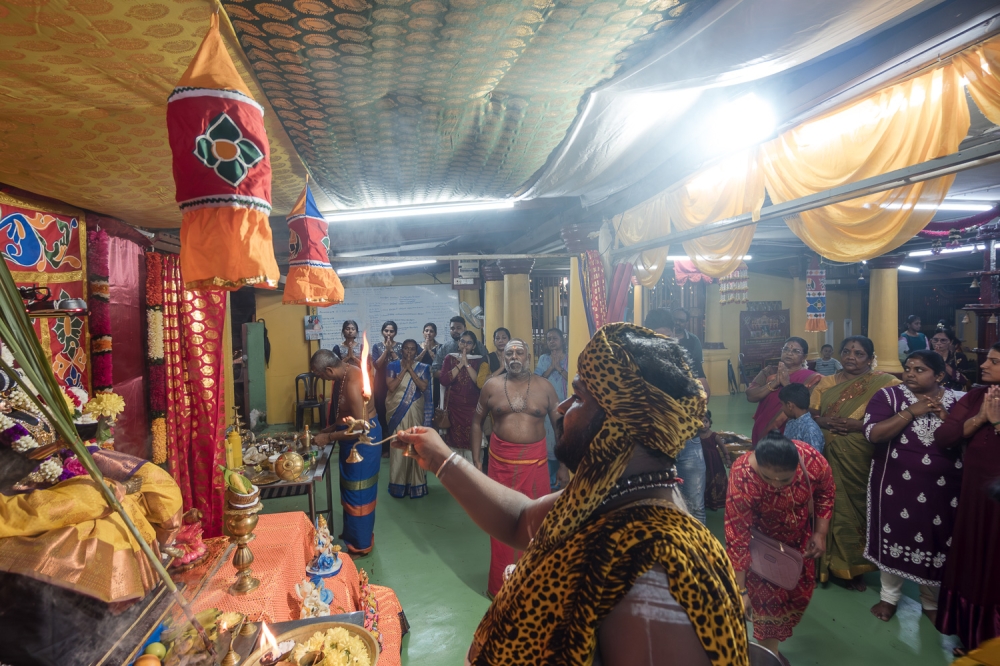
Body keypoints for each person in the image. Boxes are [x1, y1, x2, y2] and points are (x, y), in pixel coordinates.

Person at [394, 323, 747, 665]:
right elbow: (521, 519)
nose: (562, 408)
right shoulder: (608, 496)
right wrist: (442, 458)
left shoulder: (655, 565)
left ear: (619, 423)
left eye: (578, 397)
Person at [863, 350, 962, 624]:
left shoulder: (959, 401)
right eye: (908, 368)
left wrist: (946, 419)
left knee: (938, 538)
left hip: (945, 490)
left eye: (920, 370)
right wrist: (910, 412)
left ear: (939, 376)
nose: (910, 374)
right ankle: (889, 597)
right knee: (894, 533)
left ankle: (931, 601)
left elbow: (968, 438)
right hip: (895, 485)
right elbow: (873, 434)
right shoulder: (889, 397)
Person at [725, 431, 835, 663]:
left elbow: (826, 491)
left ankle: (770, 651)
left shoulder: (811, 460)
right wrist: (741, 590)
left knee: (797, 596)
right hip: (761, 552)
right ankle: (770, 657)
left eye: (784, 480)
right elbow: (738, 536)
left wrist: (820, 532)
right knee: (767, 608)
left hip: (798, 545)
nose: (775, 485)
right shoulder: (742, 475)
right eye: (768, 478)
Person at [471, 337, 560, 597]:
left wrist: (564, 465)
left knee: (537, 526)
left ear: (528, 357)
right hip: (500, 466)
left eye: (519, 353)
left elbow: (560, 427)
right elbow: (476, 422)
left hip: (537, 466)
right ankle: (499, 587)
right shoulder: (491, 386)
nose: (514, 357)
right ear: (503, 358)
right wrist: (477, 462)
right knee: (501, 525)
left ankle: (533, 584)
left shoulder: (545, 387)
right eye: (509, 353)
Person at [811, 335, 900, 590]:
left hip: (861, 457)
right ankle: (830, 564)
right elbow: (812, 414)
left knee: (858, 507)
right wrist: (825, 422)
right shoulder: (826, 383)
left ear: (871, 359)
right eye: (847, 351)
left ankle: (856, 564)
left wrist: (859, 425)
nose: (852, 357)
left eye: (859, 353)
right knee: (830, 505)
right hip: (827, 454)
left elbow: (897, 420)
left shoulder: (886, 384)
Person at [932, 342, 1000, 652]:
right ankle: (976, 638)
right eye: (987, 359)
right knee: (975, 558)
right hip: (974, 498)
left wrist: (997, 421)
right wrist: (980, 419)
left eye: (994, 361)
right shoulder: (975, 397)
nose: (984, 365)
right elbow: (944, 436)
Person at [311, 349, 383, 555]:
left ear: (328, 370)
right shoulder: (343, 373)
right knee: (349, 489)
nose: (320, 379)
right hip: (348, 437)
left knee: (359, 492)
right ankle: (352, 533)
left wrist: (329, 438)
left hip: (362, 443)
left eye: (320, 375)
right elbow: (346, 413)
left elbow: (362, 428)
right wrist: (333, 427)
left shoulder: (352, 382)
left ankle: (360, 544)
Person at [746, 336, 821, 444]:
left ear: (804, 356)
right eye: (786, 349)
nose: (789, 353)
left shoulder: (812, 378)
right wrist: (774, 383)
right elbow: (750, 396)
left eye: (795, 351)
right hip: (763, 427)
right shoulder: (769, 371)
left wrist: (786, 383)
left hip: (791, 430)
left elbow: (804, 407)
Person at [386, 340, 431, 499]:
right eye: (406, 349)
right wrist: (403, 369)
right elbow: (391, 387)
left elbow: (423, 387)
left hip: (415, 410)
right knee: (399, 445)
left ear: (416, 350)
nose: (409, 352)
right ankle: (398, 483)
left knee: (414, 445)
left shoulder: (423, 368)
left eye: (412, 349)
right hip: (397, 410)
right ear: (402, 350)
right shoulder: (392, 366)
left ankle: (415, 483)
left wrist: (410, 369)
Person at [439, 331, 485, 458]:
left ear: (474, 346)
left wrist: (467, 364)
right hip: (453, 409)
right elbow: (443, 380)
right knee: (454, 447)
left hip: (473, 409)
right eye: (462, 341)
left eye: (469, 342)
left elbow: (479, 383)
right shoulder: (450, 358)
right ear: (458, 343)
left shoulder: (480, 360)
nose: (465, 345)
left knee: (472, 445)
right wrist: (460, 364)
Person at [644, 309, 710, 396]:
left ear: (674, 332)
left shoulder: (687, 358)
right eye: (658, 338)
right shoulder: (639, 359)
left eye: (668, 337)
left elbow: (705, 393)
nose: (664, 342)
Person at [534, 328, 569, 491]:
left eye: (555, 338)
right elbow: (537, 380)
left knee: (564, 439)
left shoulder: (569, 358)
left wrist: (560, 368)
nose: (552, 341)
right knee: (549, 441)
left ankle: (564, 480)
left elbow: (575, 378)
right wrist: (551, 367)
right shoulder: (543, 359)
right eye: (549, 339)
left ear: (562, 340)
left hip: (568, 408)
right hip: (548, 411)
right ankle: (548, 482)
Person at [372, 320, 402, 447]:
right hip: (380, 384)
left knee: (395, 412)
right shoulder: (376, 346)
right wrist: (386, 350)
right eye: (386, 331)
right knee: (381, 412)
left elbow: (401, 366)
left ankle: (396, 444)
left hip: (396, 383)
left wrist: (392, 351)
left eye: (391, 331)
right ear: (382, 331)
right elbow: (377, 365)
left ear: (395, 332)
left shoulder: (401, 346)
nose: (388, 333)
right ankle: (384, 446)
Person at [698, 410, 730, 512]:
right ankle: (707, 501)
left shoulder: (714, 436)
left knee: (717, 479)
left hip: (715, 462)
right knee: (705, 479)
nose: (703, 424)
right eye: (701, 422)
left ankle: (719, 500)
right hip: (703, 461)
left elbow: (723, 447)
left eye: (706, 421)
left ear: (710, 423)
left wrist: (727, 459)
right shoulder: (696, 436)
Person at [780, 383, 825, 453]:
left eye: (782, 405)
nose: (782, 408)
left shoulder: (810, 429)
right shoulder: (791, 423)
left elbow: (813, 459)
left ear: (789, 405)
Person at [414, 322, 441, 427]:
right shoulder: (416, 346)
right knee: (420, 403)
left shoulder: (439, 347)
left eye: (431, 331)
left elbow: (438, 362)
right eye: (426, 331)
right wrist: (424, 350)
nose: (428, 333)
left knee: (434, 402)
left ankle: (433, 428)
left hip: (435, 379)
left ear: (435, 333)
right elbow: (415, 362)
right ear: (423, 333)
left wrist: (429, 350)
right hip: (419, 379)